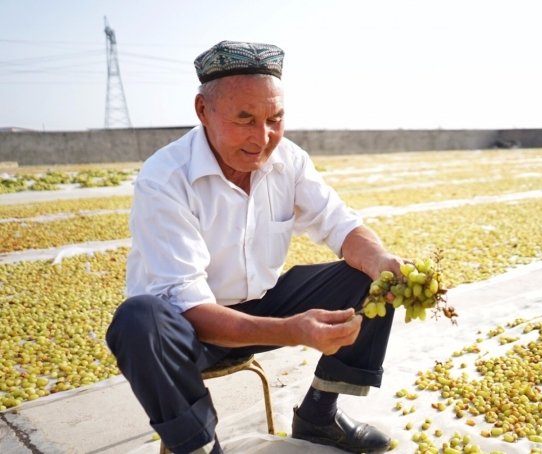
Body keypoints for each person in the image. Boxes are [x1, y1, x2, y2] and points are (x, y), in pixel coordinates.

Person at [105, 41, 402, 454]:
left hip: (260, 304)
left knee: (373, 275)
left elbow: (341, 223)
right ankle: (201, 446)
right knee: (138, 321)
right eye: (245, 119)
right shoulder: (165, 178)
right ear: (203, 111)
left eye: (275, 119)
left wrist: (382, 260)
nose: (262, 138)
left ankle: (319, 415)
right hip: (188, 333)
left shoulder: (289, 161)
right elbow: (190, 306)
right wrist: (292, 331)